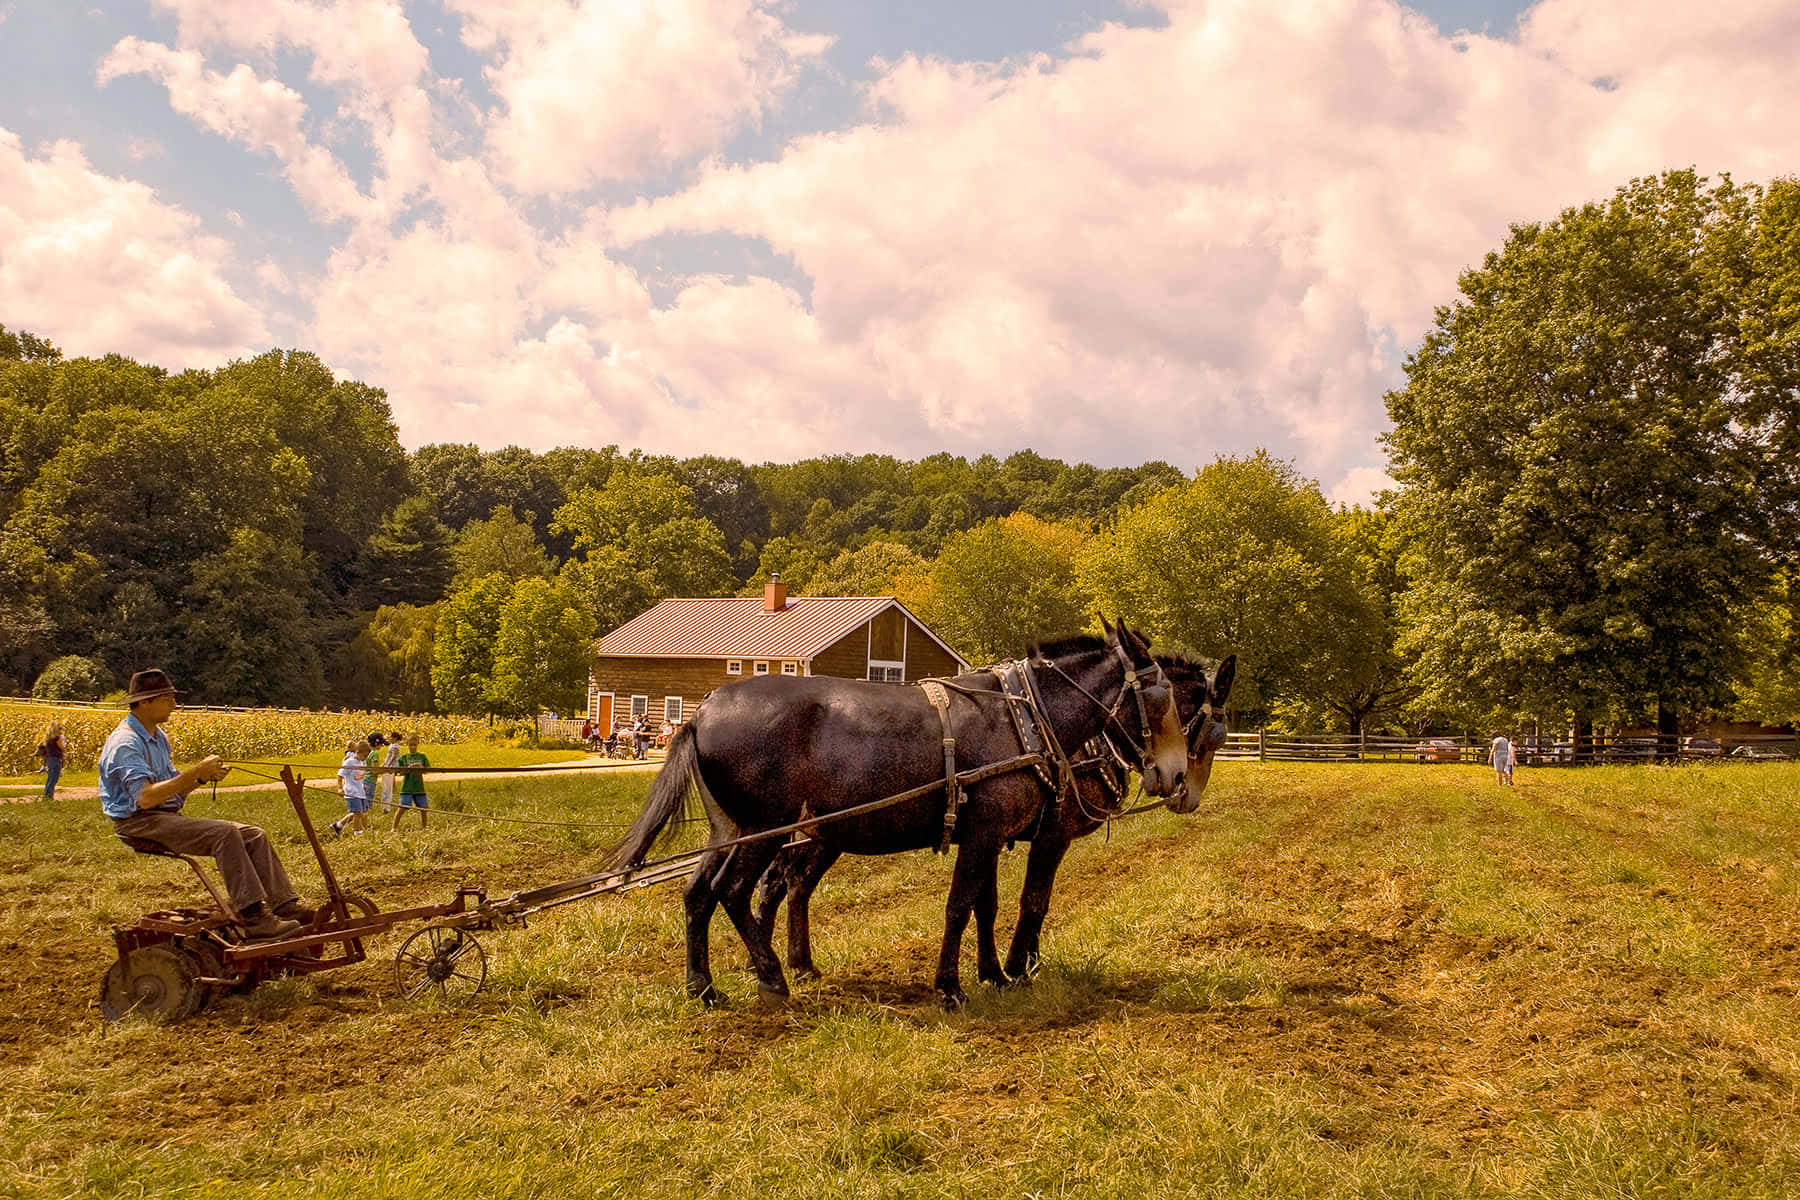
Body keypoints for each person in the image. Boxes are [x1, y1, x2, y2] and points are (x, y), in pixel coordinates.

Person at [100, 669, 309, 940]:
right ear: (143, 702)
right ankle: (254, 917)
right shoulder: (126, 743)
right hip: (138, 821)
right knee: (224, 833)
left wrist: (200, 779)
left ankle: (285, 906)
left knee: (254, 835)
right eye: (167, 699)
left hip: (161, 815)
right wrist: (195, 773)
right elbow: (146, 797)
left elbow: (171, 789)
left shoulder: (158, 737)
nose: (174, 705)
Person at [331, 739, 372, 835]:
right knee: (358, 814)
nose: (365, 758)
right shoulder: (349, 762)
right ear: (357, 752)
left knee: (357, 813)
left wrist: (363, 785)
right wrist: (340, 788)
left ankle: (338, 826)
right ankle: (358, 832)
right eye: (364, 756)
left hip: (360, 792)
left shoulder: (361, 762)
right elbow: (340, 775)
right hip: (351, 792)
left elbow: (359, 777)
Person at [391, 732, 430, 831]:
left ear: (418, 744)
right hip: (407, 787)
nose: (412, 747)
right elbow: (400, 772)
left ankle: (424, 827)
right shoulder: (404, 758)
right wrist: (408, 769)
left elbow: (427, 770)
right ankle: (394, 828)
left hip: (419, 787)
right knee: (403, 807)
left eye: (414, 745)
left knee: (423, 808)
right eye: (410, 745)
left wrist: (421, 768)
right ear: (407, 744)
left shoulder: (422, 757)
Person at [37, 721, 69, 801]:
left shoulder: (48, 738)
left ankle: (48, 794)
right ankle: (48, 796)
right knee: (53, 778)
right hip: (56, 758)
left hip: (49, 758)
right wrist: (65, 747)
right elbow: (62, 747)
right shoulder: (57, 738)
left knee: (51, 777)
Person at [376, 730, 402, 812]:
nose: (389, 738)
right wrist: (384, 764)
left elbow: (394, 756)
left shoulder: (395, 746)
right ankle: (385, 804)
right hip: (387, 767)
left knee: (388, 785)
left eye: (391, 737)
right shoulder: (391, 745)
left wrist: (388, 765)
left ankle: (387, 806)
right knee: (386, 784)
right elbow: (388, 756)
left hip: (390, 768)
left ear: (395, 738)